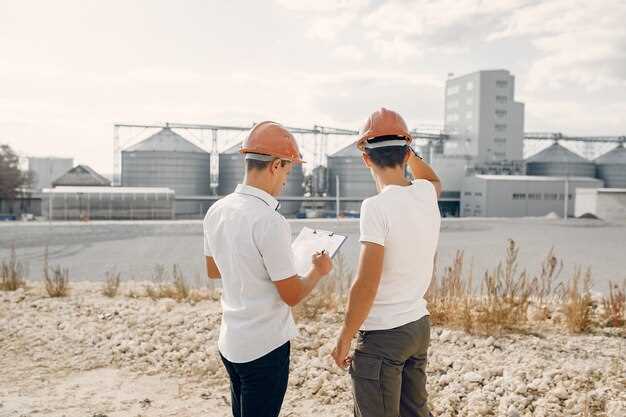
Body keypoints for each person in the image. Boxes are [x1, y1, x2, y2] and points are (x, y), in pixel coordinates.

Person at [203, 121, 333, 417]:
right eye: (288, 171)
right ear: (276, 165)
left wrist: (252, 264)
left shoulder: (217, 210)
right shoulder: (270, 220)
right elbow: (292, 295)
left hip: (231, 342)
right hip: (264, 347)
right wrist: (318, 270)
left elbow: (213, 270)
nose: (286, 179)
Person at [331, 108, 442, 417]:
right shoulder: (425, 193)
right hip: (417, 327)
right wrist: (409, 151)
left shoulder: (376, 207)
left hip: (383, 335)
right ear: (407, 153)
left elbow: (366, 283)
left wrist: (344, 337)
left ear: (366, 159)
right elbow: (432, 178)